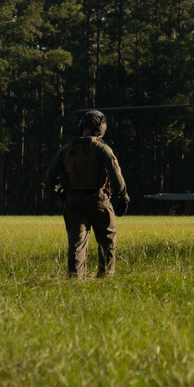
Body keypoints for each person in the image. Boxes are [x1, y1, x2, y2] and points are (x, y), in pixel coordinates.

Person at [46, 110, 130, 279]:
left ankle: (75, 280)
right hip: (98, 199)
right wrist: (123, 197)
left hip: (73, 201)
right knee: (107, 239)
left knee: (77, 244)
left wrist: (63, 195)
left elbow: (50, 177)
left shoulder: (66, 150)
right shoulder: (102, 149)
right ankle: (105, 277)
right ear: (101, 128)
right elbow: (116, 177)